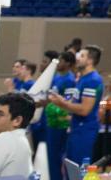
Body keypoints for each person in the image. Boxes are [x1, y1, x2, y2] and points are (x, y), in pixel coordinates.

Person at [49, 45, 104, 164]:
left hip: (84, 130)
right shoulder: (83, 78)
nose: (77, 58)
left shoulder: (92, 80)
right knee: (71, 167)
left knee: (78, 169)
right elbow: (76, 103)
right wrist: (61, 101)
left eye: (82, 56)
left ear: (90, 60)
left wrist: (62, 103)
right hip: (77, 127)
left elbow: (85, 109)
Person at [45, 51, 77, 180]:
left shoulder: (70, 80)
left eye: (61, 60)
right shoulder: (56, 77)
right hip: (51, 122)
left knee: (58, 156)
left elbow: (68, 102)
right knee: (51, 156)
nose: (58, 63)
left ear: (68, 63)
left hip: (61, 123)